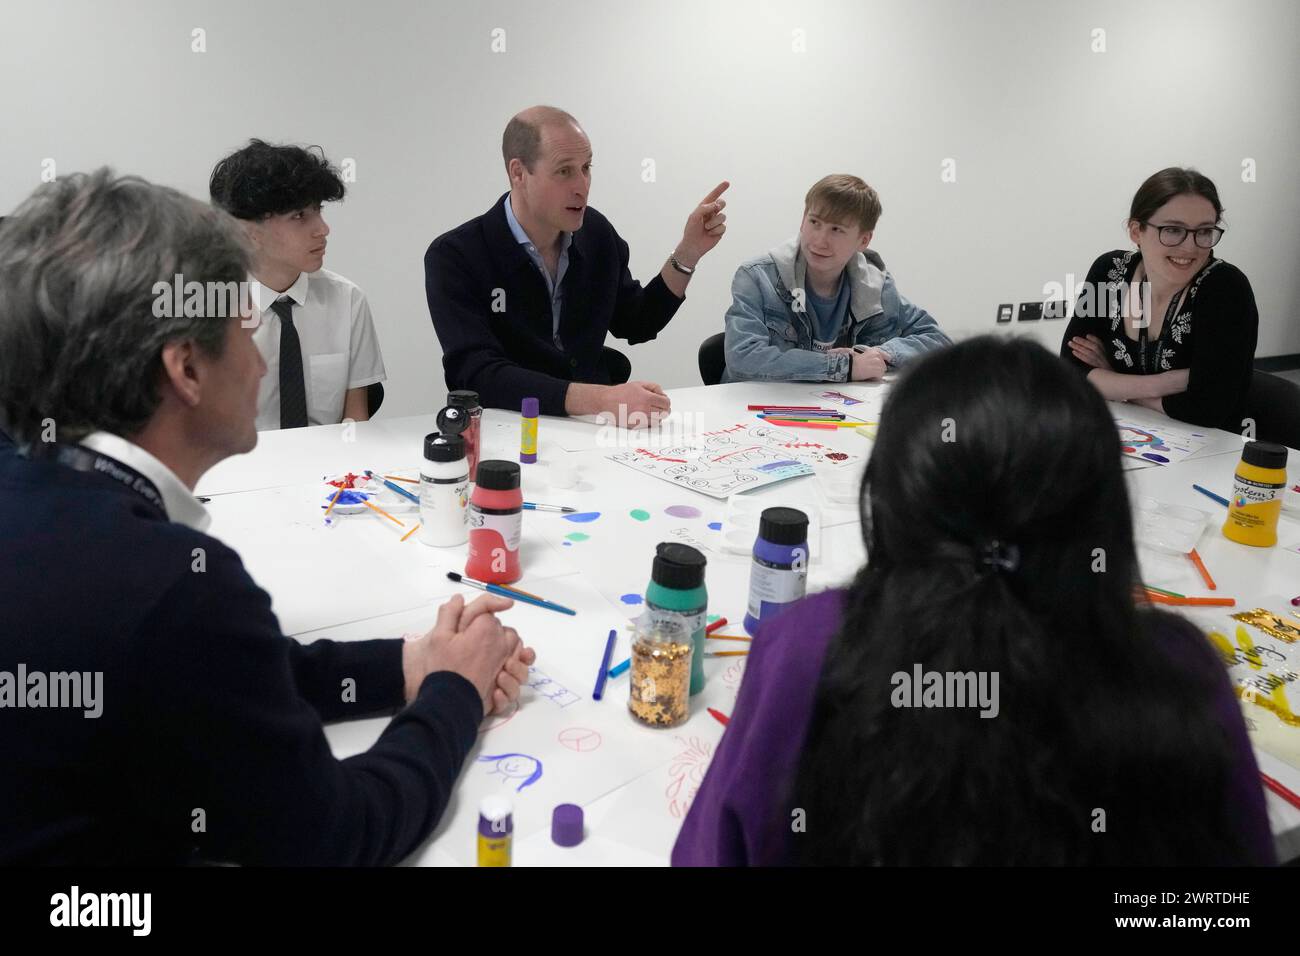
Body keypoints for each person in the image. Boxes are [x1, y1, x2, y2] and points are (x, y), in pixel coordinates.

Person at [0, 170, 535, 865]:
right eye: (242, 334)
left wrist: (410, 663)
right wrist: (455, 692)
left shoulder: (45, 496)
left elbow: (217, 671)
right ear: (186, 369)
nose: (258, 363)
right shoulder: (169, 583)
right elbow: (337, 835)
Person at [673, 336, 1274, 866]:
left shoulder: (812, 646)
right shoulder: (1179, 669)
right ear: (1101, 507)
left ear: (894, 495)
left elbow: (716, 849)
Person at [425, 105, 729, 424]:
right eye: (564, 171)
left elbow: (638, 321)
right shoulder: (456, 255)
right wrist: (601, 398)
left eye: (586, 167)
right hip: (505, 427)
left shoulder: (594, 233)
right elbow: (478, 375)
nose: (582, 185)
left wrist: (688, 252)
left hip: (585, 428)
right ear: (518, 173)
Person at [1061, 167, 1258, 432]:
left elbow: (1208, 407)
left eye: (1204, 232)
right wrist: (1162, 384)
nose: (1190, 247)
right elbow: (1070, 370)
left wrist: (1115, 382)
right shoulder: (1110, 270)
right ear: (1136, 231)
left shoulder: (1224, 287)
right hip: (1130, 429)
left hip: (1211, 448)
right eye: (1173, 230)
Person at [210, 139, 386, 430]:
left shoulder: (347, 300)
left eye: (318, 210)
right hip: (240, 470)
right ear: (249, 232)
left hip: (327, 470)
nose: (323, 229)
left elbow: (356, 422)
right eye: (300, 216)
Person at [723, 174, 949, 383]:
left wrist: (880, 354)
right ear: (802, 221)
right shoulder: (757, 276)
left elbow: (937, 340)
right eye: (814, 223)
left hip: (832, 413)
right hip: (753, 414)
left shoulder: (876, 286)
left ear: (863, 240)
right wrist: (844, 366)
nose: (820, 240)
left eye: (836, 230)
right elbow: (743, 358)